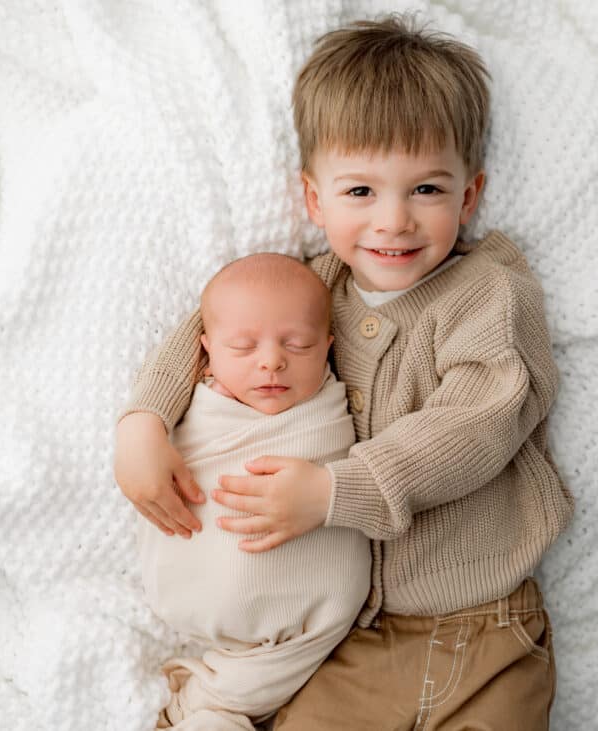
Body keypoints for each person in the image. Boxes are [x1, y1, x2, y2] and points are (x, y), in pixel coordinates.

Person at [115, 14, 574, 729]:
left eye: (426, 189)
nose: (393, 221)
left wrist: (337, 489)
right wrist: (144, 419)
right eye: (361, 192)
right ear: (314, 200)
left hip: (484, 630)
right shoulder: (309, 288)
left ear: (470, 195)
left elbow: (479, 423)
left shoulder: (487, 294)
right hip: (348, 647)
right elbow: (210, 330)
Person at [134, 253, 370, 730]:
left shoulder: (328, 402)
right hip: (207, 583)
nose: (272, 362)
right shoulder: (201, 403)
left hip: (313, 611)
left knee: (243, 696)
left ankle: (209, 706)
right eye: (242, 347)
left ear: (328, 346)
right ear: (206, 352)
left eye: (299, 344)